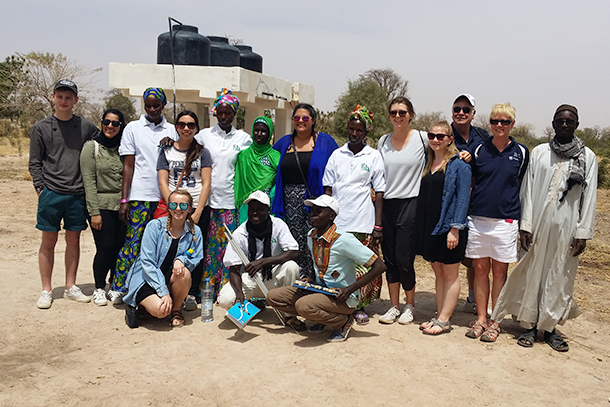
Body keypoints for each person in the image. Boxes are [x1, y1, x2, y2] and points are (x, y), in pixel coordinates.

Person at [490, 105, 597, 352]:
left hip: (568, 228)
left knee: (560, 276)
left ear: (576, 125)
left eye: (570, 122)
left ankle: (548, 328)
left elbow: (589, 197)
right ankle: (528, 324)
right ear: (553, 123)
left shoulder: (587, 158)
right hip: (537, 225)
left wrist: (583, 232)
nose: (564, 125)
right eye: (560, 121)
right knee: (532, 273)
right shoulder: (539, 153)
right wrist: (525, 226)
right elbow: (527, 190)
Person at [267, 195, 387, 342]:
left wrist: (349, 289)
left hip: (343, 297)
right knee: (273, 297)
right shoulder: (311, 235)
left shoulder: (343, 239)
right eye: (312, 210)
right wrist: (311, 279)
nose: (313, 214)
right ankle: (324, 318)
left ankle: (342, 322)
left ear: (331, 216)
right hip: (321, 290)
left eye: (319, 211)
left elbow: (380, 266)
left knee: (303, 306)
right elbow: (317, 263)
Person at [29, 79, 100, 309]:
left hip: (77, 194)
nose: (64, 101)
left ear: (75, 100)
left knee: (74, 240)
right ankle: (46, 290)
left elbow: (106, 143)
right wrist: (41, 189)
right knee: (48, 241)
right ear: (53, 98)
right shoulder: (40, 128)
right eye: (60, 96)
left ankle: (70, 287)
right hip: (50, 193)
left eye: (68, 97)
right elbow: (35, 163)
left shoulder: (86, 127)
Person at [465, 103, 529, 342]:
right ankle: (481, 319)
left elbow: (522, 186)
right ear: (489, 123)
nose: (499, 126)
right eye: (494, 121)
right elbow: (472, 183)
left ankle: (496, 320)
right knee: (480, 270)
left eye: (504, 122)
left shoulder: (521, 152)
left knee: (500, 271)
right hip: (479, 219)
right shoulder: (480, 150)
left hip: (506, 220)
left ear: (512, 124)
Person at [109, 87, 176, 304]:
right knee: (133, 242)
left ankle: (155, 287)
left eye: (156, 105)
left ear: (163, 105)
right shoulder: (133, 128)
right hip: (139, 196)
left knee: (160, 245)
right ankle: (120, 286)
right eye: (148, 105)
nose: (152, 109)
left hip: (164, 197)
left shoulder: (173, 130)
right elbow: (128, 166)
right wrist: (124, 199)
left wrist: (171, 144)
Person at [322, 105, 385, 325]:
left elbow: (379, 192)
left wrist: (378, 225)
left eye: (359, 130)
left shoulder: (374, 156)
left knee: (362, 266)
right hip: (338, 222)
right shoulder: (336, 155)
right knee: (339, 266)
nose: (354, 133)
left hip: (363, 221)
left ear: (366, 132)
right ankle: (338, 303)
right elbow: (328, 190)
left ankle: (359, 307)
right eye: (351, 129)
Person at [415, 121, 471, 335]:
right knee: (438, 272)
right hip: (432, 226)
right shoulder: (428, 163)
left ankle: (445, 320)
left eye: (440, 136)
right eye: (432, 136)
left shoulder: (459, 164)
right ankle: (440, 315)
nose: (435, 140)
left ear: (450, 139)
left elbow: (462, 198)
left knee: (450, 273)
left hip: (450, 228)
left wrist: (455, 229)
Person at [194, 88, 252, 299]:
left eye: (229, 112)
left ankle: (226, 290)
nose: (224, 116)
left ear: (234, 114)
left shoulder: (244, 138)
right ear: (215, 112)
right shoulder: (203, 136)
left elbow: (250, 167)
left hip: (230, 201)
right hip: (206, 202)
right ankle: (204, 290)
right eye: (221, 112)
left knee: (229, 248)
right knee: (208, 248)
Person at [272, 103, 339, 280]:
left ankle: (316, 277)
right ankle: (298, 278)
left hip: (316, 199)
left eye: (305, 118)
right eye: (297, 118)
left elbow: (338, 166)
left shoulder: (325, 142)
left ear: (313, 120)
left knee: (316, 237)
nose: (301, 121)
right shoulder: (284, 143)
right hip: (289, 198)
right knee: (294, 239)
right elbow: (268, 164)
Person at [377, 96, 428, 324]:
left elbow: (446, 147)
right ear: (389, 115)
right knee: (389, 259)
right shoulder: (382, 141)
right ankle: (394, 306)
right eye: (394, 112)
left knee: (404, 259)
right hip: (388, 204)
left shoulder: (422, 138)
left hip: (411, 202)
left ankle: (410, 305)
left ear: (411, 115)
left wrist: (463, 155)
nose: (398, 116)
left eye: (403, 112)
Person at [123, 189, 203, 328]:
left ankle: (176, 310)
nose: (178, 209)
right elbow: (147, 263)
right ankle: (136, 304)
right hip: (146, 278)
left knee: (185, 273)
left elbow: (196, 256)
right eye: (173, 205)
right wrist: (163, 292)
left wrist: (181, 260)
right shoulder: (154, 227)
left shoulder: (195, 231)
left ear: (189, 208)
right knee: (161, 312)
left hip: (170, 278)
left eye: (183, 205)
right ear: (168, 206)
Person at [157, 110, 211, 309]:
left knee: (194, 249)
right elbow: (163, 182)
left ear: (196, 128)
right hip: (174, 208)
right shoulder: (166, 151)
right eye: (181, 124)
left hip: (196, 206)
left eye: (190, 125)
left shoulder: (203, 152)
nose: (186, 128)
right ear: (176, 127)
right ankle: (167, 287)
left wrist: (197, 212)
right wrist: (173, 206)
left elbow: (205, 184)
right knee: (169, 246)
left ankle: (191, 292)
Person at [217, 191, 300, 309]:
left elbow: (294, 252)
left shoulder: (278, 225)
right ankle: (252, 305)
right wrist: (239, 293)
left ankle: (288, 315)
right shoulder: (240, 233)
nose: (255, 213)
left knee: (291, 267)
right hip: (249, 278)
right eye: (251, 209)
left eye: (260, 209)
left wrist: (263, 262)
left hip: (272, 274)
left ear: (268, 210)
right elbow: (234, 269)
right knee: (226, 300)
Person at [80, 109, 126, 306]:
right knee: (105, 247)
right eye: (107, 122)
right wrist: (94, 212)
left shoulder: (125, 148)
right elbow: (88, 181)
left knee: (119, 247)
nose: (110, 126)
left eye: (115, 123)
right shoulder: (92, 148)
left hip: (123, 206)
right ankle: (99, 287)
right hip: (101, 205)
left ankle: (114, 285)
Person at [450, 94, 490, 315]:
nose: (461, 113)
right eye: (457, 108)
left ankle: (473, 298)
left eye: (466, 109)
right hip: (451, 201)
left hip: (476, 202)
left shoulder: (483, 136)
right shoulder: (445, 135)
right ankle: (447, 297)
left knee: (475, 254)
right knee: (452, 251)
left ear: (473, 113)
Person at [234, 116, 280, 224]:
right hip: (246, 205)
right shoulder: (243, 156)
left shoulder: (275, 156)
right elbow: (238, 182)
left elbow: (278, 183)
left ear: (269, 134)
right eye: (256, 130)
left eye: (263, 131)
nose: (259, 134)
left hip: (268, 203)